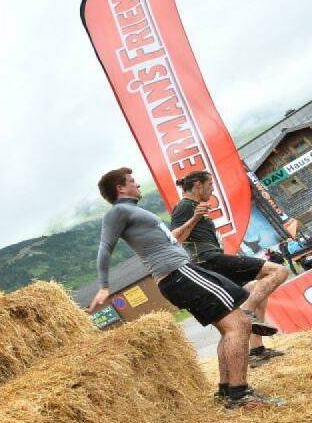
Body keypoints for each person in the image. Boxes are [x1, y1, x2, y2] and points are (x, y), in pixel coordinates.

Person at [88, 168, 283, 410]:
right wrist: (105, 286)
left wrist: (193, 220)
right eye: (131, 181)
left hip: (180, 273)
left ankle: (226, 390)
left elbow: (172, 239)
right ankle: (239, 394)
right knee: (240, 324)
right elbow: (105, 247)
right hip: (179, 273)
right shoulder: (118, 211)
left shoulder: (133, 211)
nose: (137, 184)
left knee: (229, 327)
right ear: (120, 188)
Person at [169, 171, 287, 367]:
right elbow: (174, 239)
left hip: (212, 258)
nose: (212, 189)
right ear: (198, 185)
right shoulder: (184, 207)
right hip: (207, 260)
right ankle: (247, 312)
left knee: (256, 289)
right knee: (279, 271)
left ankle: (257, 351)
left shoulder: (195, 207)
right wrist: (194, 219)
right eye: (210, 185)